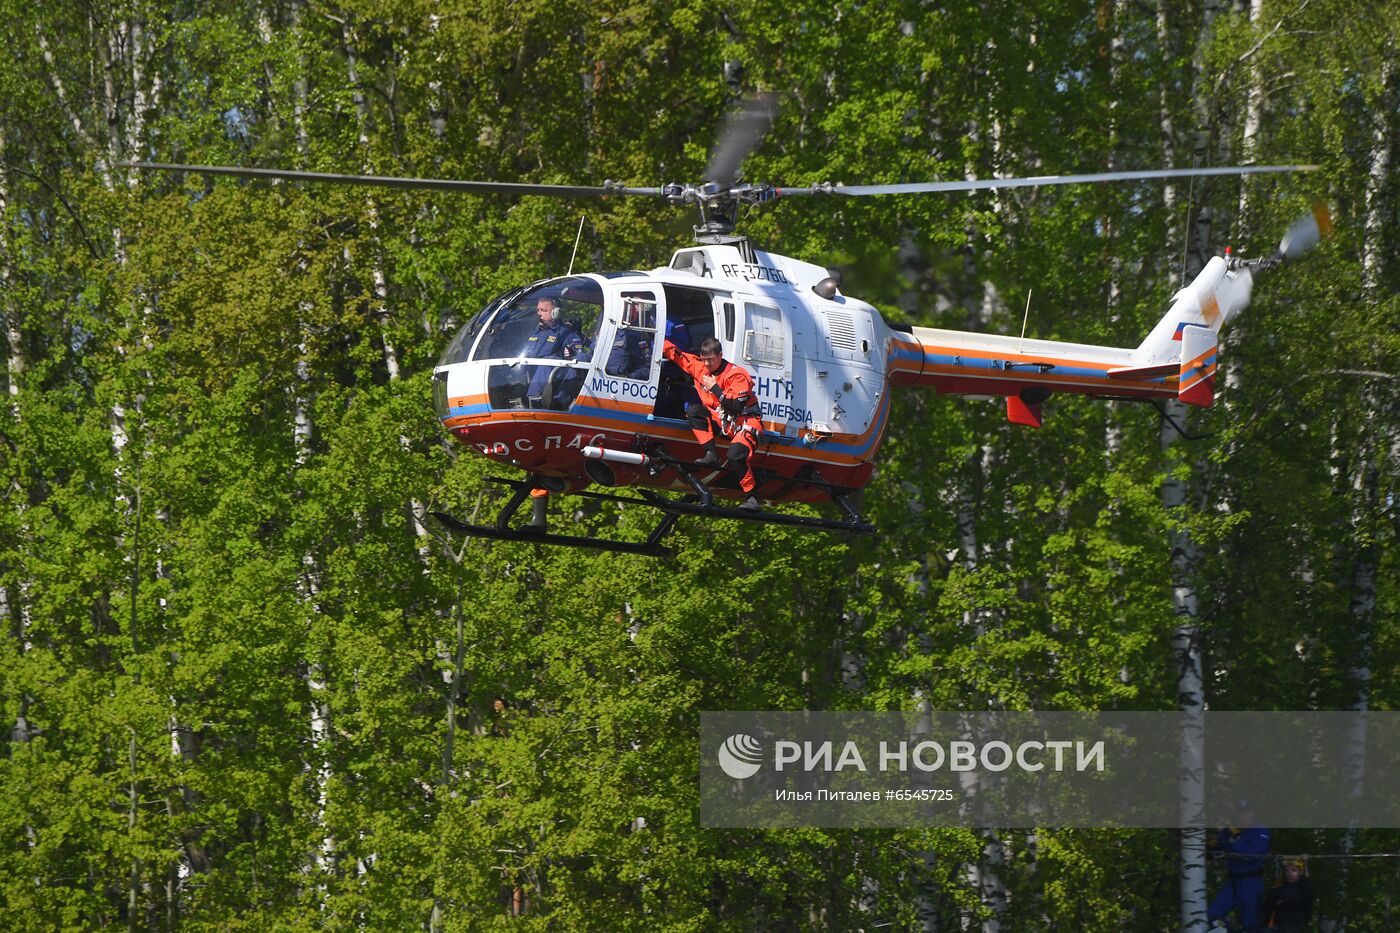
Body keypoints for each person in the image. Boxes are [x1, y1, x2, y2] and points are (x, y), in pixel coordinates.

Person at [662, 335, 763, 510]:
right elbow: (676, 354)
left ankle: (752, 497)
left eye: (710, 360)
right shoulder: (700, 368)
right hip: (721, 420)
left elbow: (735, 407)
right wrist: (652, 335)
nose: (707, 364)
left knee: (735, 456)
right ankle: (711, 455)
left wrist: (715, 388)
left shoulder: (737, 375)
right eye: (704, 360)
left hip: (745, 422)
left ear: (720, 355)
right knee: (694, 410)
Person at [1207, 802, 1270, 931]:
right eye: (1239, 812)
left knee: (1250, 925)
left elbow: (1252, 854)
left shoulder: (1260, 830)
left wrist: (1235, 838)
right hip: (1232, 882)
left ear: (1252, 813)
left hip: (1251, 882)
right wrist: (1207, 844)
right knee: (1212, 914)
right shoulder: (1228, 831)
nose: (1243, 816)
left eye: (1246, 812)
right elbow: (1214, 850)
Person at [524, 297, 583, 404]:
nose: (539, 313)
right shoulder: (536, 331)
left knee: (548, 361)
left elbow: (578, 360)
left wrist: (569, 356)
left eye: (544, 310)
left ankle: (533, 400)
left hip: (554, 374)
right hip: (531, 373)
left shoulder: (566, 333)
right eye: (538, 310)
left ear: (556, 313)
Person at [1261, 858, 1313, 933]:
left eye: (1293, 870)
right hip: (1276, 925)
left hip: (1292, 925)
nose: (1290, 873)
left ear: (1300, 872)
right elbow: (1265, 907)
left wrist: (1275, 898)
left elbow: (1288, 894)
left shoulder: (1304, 886)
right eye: (1287, 871)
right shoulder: (1283, 887)